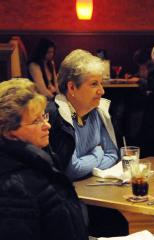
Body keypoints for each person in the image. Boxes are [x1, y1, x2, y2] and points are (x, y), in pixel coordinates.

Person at [47, 49, 129, 237]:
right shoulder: (56, 116)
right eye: (94, 84)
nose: (102, 90)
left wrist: (91, 159)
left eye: (100, 83)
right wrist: (97, 153)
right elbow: (72, 169)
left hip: (94, 193)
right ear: (72, 88)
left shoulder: (96, 112)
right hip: (64, 202)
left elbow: (113, 154)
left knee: (117, 223)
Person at [0, 78, 88, 240]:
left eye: (44, 116)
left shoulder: (42, 158)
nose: (47, 125)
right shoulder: (12, 187)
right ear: (9, 131)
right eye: (36, 121)